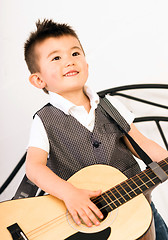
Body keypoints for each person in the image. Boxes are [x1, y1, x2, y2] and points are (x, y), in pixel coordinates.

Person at [24, 19, 168, 239]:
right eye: (56, 58)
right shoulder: (44, 120)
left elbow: (142, 144)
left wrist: (165, 160)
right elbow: (34, 168)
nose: (69, 62)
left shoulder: (110, 106)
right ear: (38, 79)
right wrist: (69, 194)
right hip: (86, 222)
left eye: (75, 54)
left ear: (86, 65)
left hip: (136, 207)